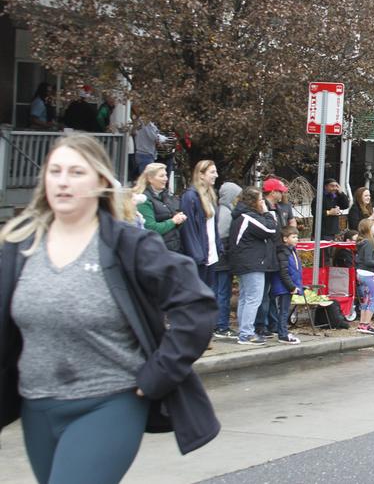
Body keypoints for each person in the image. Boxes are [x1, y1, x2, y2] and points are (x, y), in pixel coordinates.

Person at [0, 134, 219, 483]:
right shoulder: (19, 245)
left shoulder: (128, 244)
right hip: (36, 405)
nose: (63, 181)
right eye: (55, 171)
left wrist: (159, 374)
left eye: (76, 172)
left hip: (108, 403)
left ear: (101, 182)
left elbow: (197, 305)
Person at [227, 186, 277, 345]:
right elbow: (270, 229)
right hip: (251, 263)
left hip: (244, 262)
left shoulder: (241, 216)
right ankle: (246, 333)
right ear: (253, 202)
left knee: (245, 298)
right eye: (261, 200)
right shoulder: (249, 217)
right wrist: (267, 212)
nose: (263, 202)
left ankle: (244, 330)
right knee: (253, 299)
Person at [179, 160, 223, 287]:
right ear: (201, 174)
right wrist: (197, 254)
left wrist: (218, 247)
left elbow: (212, 227)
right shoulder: (190, 197)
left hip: (210, 256)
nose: (216, 175)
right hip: (199, 258)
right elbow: (188, 229)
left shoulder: (209, 197)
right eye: (212, 172)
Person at [256, 177, 288, 338]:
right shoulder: (263, 208)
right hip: (267, 255)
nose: (282, 194)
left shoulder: (278, 208)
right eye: (280, 191)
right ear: (273, 192)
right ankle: (261, 324)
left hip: (276, 254)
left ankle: (273, 323)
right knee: (264, 292)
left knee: (272, 292)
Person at [134, 162, 186, 252]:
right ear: (150, 178)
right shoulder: (143, 200)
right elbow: (151, 228)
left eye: (166, 175)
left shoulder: (164, 195)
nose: (166, 179)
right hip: (156, 251)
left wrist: (178, 218)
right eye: (161, 176)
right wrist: (174, 221)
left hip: (171, 248)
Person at [212, 181, 242, 339]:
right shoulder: (226, 212)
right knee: (222, 293)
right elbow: (223, 236)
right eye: (237, 195)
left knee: (217, 291)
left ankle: (215, 324)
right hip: (223, 259)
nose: (238, 198)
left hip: (218, 258)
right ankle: (221, 325)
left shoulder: (221, 210)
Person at [272, 225, 303, 344]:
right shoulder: (283, 252)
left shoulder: (291, 251)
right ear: (285, 239)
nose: (296, 239)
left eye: (297, 237)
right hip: (285, 287)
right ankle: (283, 334)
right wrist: (292, 286)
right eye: (293, 237)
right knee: (284, 311)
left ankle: (282, 331)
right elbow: (283, 272)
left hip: (288, 286)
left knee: (284, 310)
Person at [354, 219, 374, 333]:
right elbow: (368, 261)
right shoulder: (369, 242)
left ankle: (362, 324)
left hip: (360, 273)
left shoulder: (362, 242)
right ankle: (366, 324)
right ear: (369, 229)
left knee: (366, 299)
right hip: (367, 274)